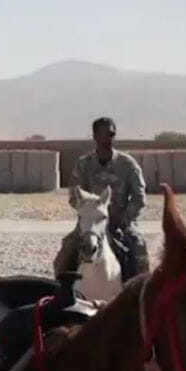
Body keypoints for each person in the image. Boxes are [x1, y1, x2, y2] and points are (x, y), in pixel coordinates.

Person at [52, 117, 148, 280]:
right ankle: (64, 292)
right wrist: (88, 212)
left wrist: (124, 218)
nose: (107, 139)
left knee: (138, 250)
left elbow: (139, 198)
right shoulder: (84, 164)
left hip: (121, 224)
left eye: (110, 134)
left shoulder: (127, 164)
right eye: (103, 134)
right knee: (66, 251)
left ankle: (140, 294)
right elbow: (74, 196)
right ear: (95, 136)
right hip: (91, 223)